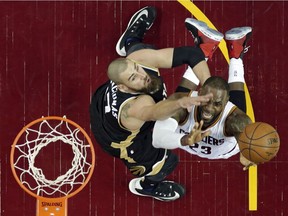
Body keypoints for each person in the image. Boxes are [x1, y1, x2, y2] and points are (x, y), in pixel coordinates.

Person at [90, 6, 221, 202]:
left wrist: (208, 85)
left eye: (137, 69)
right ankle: (146, 186)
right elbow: (156, 113)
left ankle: (129, 42)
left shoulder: (138, 63)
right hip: (118, 139)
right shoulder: (133, 107)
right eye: (134, 78)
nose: (143, 75)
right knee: (167, 161)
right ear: (124, 88)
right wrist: (183, 101)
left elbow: (191, 56)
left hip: (103, 101)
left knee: (141, 51)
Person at [152, 18, 255, 170]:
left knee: (237, 113)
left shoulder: (236, 120)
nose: (209, 108)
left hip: (222, 149)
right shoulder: (183, 104)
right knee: (180, 99)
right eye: (206, 100)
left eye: (218, 104)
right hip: (185, 139)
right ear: (199, 93)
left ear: (227, 103)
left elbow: (244, 132)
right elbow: (158, 139)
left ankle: (225, 51)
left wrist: (247, 152)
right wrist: (186, 139)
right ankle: (223, 49)